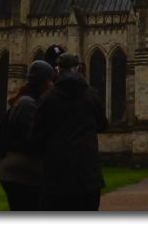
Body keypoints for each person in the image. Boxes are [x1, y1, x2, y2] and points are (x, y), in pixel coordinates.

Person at [30, 51, 109, 211]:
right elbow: (102, 125)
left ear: (57, 70)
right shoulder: (91, 95)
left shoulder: (47, 98)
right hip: (87, 175)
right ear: (79, 68)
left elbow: (35, 137)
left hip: (57, 177)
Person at [0, 59, 55, 211]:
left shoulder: (27, 101)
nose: (52, 84)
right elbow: (34, 139)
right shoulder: (27, 104)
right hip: (20, 174)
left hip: (19, 173)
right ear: (42, 82)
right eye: (50, 80)